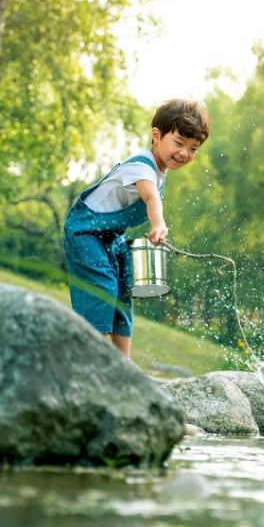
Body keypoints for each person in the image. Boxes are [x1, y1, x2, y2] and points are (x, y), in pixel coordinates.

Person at [63, 98, 210, 358]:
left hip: (110, 236)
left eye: (193, 148)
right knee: (103, 289)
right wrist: (158, 224)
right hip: (85, 232)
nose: (185, 153)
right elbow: (150, 197)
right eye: (179, 143)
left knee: (123, 293)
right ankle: (92, 362)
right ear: (157, 135)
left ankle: (123, 365)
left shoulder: (159, 170)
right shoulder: (141, 167)